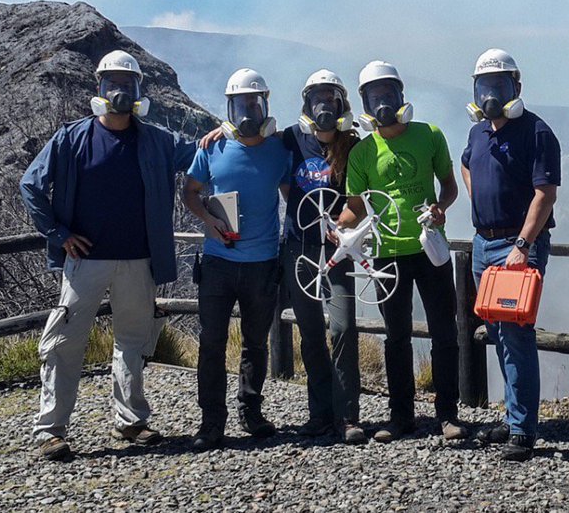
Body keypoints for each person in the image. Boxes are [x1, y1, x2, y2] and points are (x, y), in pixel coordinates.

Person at [20, 50, 197, 461]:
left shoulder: (157, 140)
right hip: (85, 261)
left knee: (133, 342)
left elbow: (197, 153)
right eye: (112, 83)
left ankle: (130, 420)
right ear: (99, 86)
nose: (119, 91)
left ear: (138, 90)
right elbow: (31, 185)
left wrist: (224, 134)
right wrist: (59, 234)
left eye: (127, 84)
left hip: (139, 260)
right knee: (64, 341)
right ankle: (51, 430)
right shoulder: (71, 138)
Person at [337, 60, 467, 443]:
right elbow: (355, 207)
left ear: (400, 95)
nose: (382, 103)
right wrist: (337, 227)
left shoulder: (430, 135)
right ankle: (401, 417)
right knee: (396, 337)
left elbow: (449, 186)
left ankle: (448, 414)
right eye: (374, 96)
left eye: (388, 94)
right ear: (365, 102)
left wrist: (441, 207)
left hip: (430, 249)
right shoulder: (362, 153)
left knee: (444, 332)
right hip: (387, 253)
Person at [182, 68, 291, 451]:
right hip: (218, 261)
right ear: (229, 108)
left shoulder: (280, 150)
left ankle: (251, 412)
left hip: (262, 263)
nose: (248, 112)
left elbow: (294, 195)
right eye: (241, 105)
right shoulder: (211, 148)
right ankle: (212, 421)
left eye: (254, 104)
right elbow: (190, 191)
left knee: (255, 343)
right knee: (211, 342)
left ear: (265, 106)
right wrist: (207, 219)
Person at [460, 48, 560, 462]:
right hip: (483, 244)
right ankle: (512, 416)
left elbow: (545, 195)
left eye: (498, 85)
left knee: (516, 336)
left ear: (516, 86)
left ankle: (522, 431)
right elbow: (466, 165)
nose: (490, 94)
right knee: (498, 335)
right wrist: (478, 202)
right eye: (484, 86)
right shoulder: (477, 134)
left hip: (516, 248)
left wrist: (522, 244)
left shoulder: (536, 132)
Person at [280, 70, 365, 443]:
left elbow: (359, 200)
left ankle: (347, 416)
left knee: (343, 328)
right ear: (306, 103)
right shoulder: (290, 139)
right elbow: (252, 143)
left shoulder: (354, 145)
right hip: (299, 249)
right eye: (317, 98)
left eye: (331, 98)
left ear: (342, 103)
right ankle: (320, 414)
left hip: (337, 250)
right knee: (311, 331)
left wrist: (339, 224)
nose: (324, 105)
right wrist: (221, 129)